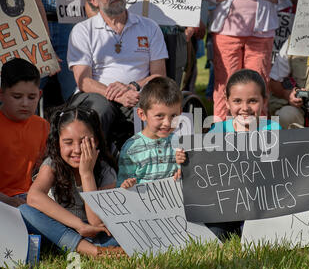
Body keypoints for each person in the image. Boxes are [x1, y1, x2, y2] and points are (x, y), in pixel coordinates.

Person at [176, 69, 282, 240]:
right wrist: (185, 160)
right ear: (227, 102)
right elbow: (205, 169)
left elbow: (285, 169)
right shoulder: (218, 131)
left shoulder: (273, 130)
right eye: (237, 101)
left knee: (266, 236)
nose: (245, 108)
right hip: (225, 211)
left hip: (262, 210)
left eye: (253, 101)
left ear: (264, 101)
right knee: (213, 236)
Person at [67, 0, 168, 149]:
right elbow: (84, 81)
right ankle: (92, 167)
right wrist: (117, 95)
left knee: (150, 109)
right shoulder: (83, 30)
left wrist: (133, 86)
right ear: (93, 0)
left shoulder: (149, 27)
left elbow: (159, 75)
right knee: (99, 111)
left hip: (137, 94)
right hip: (96, 95)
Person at [19, 107, 125, 257]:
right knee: (25, 210)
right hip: (61, 230)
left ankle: (79, 249)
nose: (77, 149)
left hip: (96, 235)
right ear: (57, 144)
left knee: (120, 235)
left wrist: (87, 174)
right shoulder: (52, 165)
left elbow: (96, 223)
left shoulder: (105, 170)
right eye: (68, 142)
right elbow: (34, 197)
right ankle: (92, 252)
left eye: (84, 142)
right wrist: (79, 225)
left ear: (96, 141)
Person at [206, 0, 290, 121]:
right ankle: (221, 132)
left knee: (259, 84)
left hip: (262, 32)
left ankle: (259, 132)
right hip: (225, 32)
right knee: (225, 84)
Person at [0, 58, 49, 208]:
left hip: (31, 198)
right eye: (17, 97)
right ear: (1, 94)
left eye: (31, 97)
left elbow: (43, 171)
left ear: (39, 94)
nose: (25, 103)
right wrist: (8, 201)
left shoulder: (42, 126)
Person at [117, 77, 183, 188]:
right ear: (142, 114)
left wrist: (182, 169)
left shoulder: (179, 143)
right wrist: (127, 185)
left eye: (174, 116)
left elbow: (186, 176)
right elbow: (122, 184)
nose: (167, 123)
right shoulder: (131, 148)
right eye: (159, 116)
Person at [38, 0, 81, 101]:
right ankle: (28, 119)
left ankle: (75, 116)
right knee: (28, 85)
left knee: (73, 86)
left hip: (68, 19)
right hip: (33, 21)